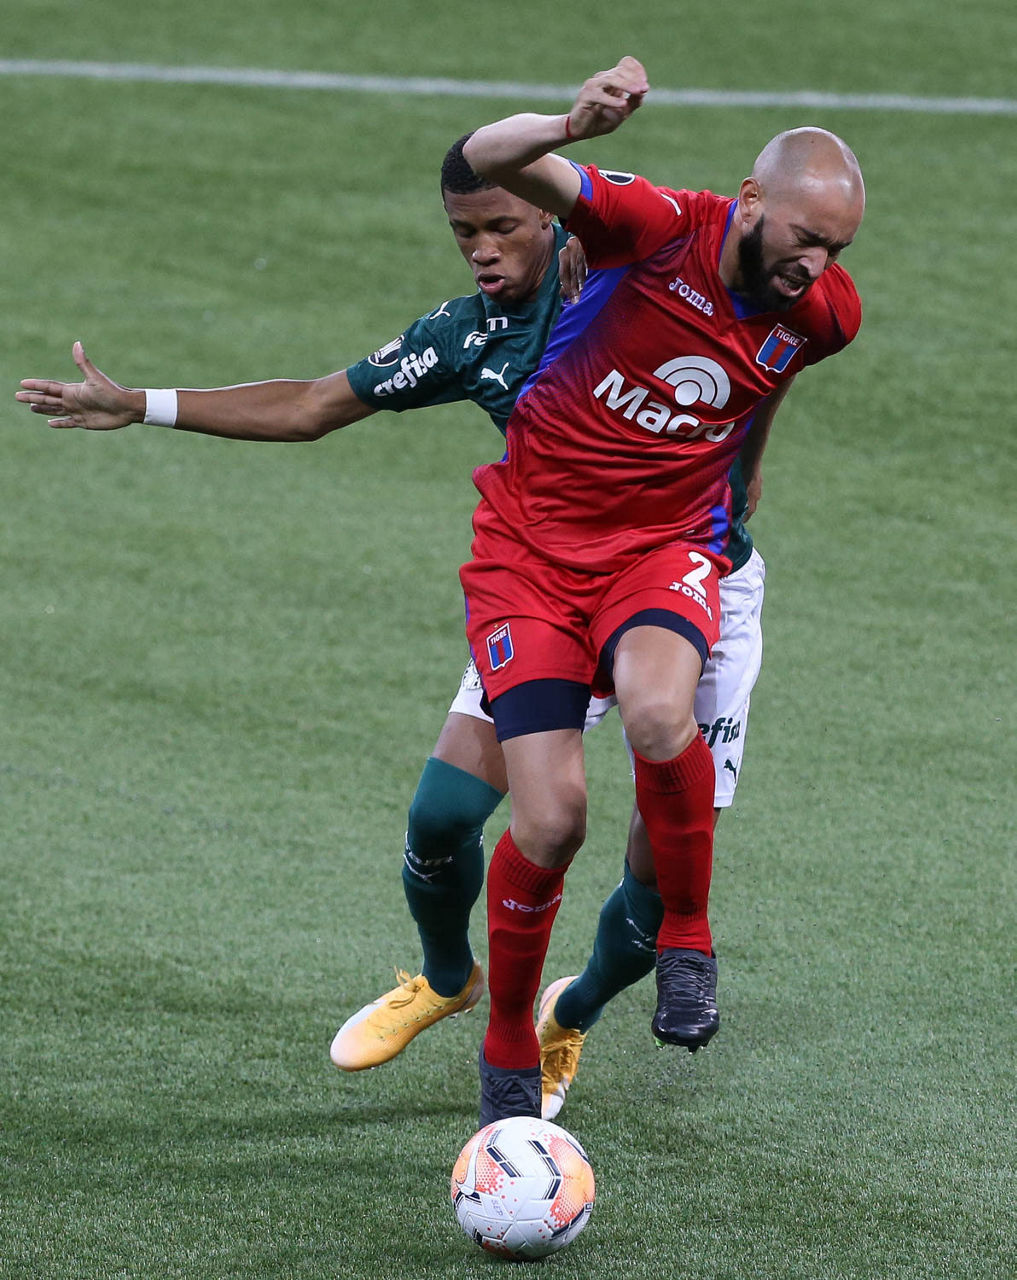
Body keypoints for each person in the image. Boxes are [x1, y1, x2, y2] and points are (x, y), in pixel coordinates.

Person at [17, 137, 776, 1110]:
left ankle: (570, 1013)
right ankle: (449, 976)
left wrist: (746, 455)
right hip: (554, 582)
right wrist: (142, 404)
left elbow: (759, 304)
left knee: (661, 870)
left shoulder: (639, 277)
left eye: (503, 226)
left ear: (553, 214)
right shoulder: (471, 336)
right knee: (443, 816)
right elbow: (310, 405)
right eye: (464, 233)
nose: (483, 249)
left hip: (692, 585)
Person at [450, 55, 864, 1125]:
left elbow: (774, 366)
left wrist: (749, 459)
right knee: (551, 820)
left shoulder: (824, 311)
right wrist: (572, 124)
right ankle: (508, 1037)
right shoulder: (658, 225)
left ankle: (688, 934)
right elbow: (484, 154)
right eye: (805, 237)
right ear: (753, 200)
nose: (816, 264)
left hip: (662, 542)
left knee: (655, 709)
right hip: (531, 552)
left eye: (836, 248)